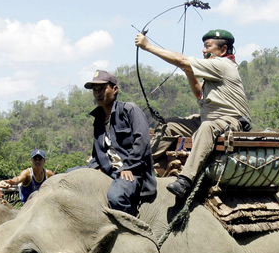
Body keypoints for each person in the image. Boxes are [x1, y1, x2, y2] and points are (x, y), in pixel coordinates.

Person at [135, 28, 251, 198]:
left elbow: (182, 60)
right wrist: (190, 72)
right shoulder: (213, 71)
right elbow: (200, 94)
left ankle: (186, 180)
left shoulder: (223, 65)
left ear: (223, 50)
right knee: (170, 125)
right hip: (210, 119)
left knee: (207, 127)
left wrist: (148, 46)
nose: (204, 50)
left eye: (208, 46)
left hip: (232, 121)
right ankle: (142, 165)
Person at [86, 70, 157, 215]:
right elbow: (97, 152)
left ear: (115, 89)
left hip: (131, 173)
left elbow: (142, 142)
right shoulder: (98, 119)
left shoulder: (129, 110)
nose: (98, 93)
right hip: (108, 171)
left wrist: (128, 167)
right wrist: (95, 167)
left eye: (102, 88)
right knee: (68, 177)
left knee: (116, 197)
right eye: (95, 90)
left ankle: (128, 230)